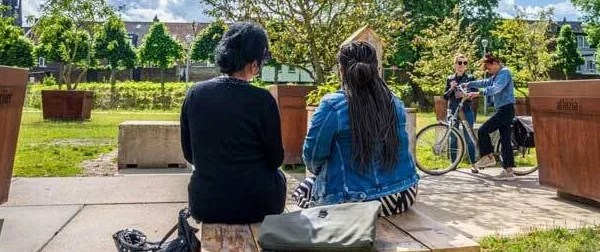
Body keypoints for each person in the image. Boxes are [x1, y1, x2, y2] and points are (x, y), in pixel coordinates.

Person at [294, 41, 419, 216]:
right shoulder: (394, 102)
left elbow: (313, 157)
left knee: (304, 188)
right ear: (376, 69)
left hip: (356, 202)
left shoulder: (333, 105)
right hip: (404, 194)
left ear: (341, 70)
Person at [180, 22, 286, 224]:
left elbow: (189, 154)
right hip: (260, 205)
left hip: (206, 204)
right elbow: (275, 160)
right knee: (278, 177)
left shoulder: (195, 93)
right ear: (254, 64)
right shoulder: (262, 100)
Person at [467, 53, 517, 180]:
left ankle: (488, 157)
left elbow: (496, 88)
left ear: (495, 64)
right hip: (504, 109)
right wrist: (470, 84)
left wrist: (479, 93)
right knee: (505, 140)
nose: (488, 71)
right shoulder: (496, 75)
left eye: (489, 68)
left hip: (506, 109)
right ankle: (509, 171)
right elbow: (485, 82)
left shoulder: (505, 73)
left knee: (483, 130)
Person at [445, 54, 478, 168]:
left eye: (465, 63)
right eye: (460, 63)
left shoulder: (471, 78)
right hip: (453, 110)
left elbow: (475, 93)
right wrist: (451, 88)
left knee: (469, 137)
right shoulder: (450, 79)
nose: (462, 65)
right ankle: (453, 164)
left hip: (466, 110)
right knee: (453, 137)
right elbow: (445, 96)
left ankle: (473, 164)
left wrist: (465, 95)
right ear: (455, 64)